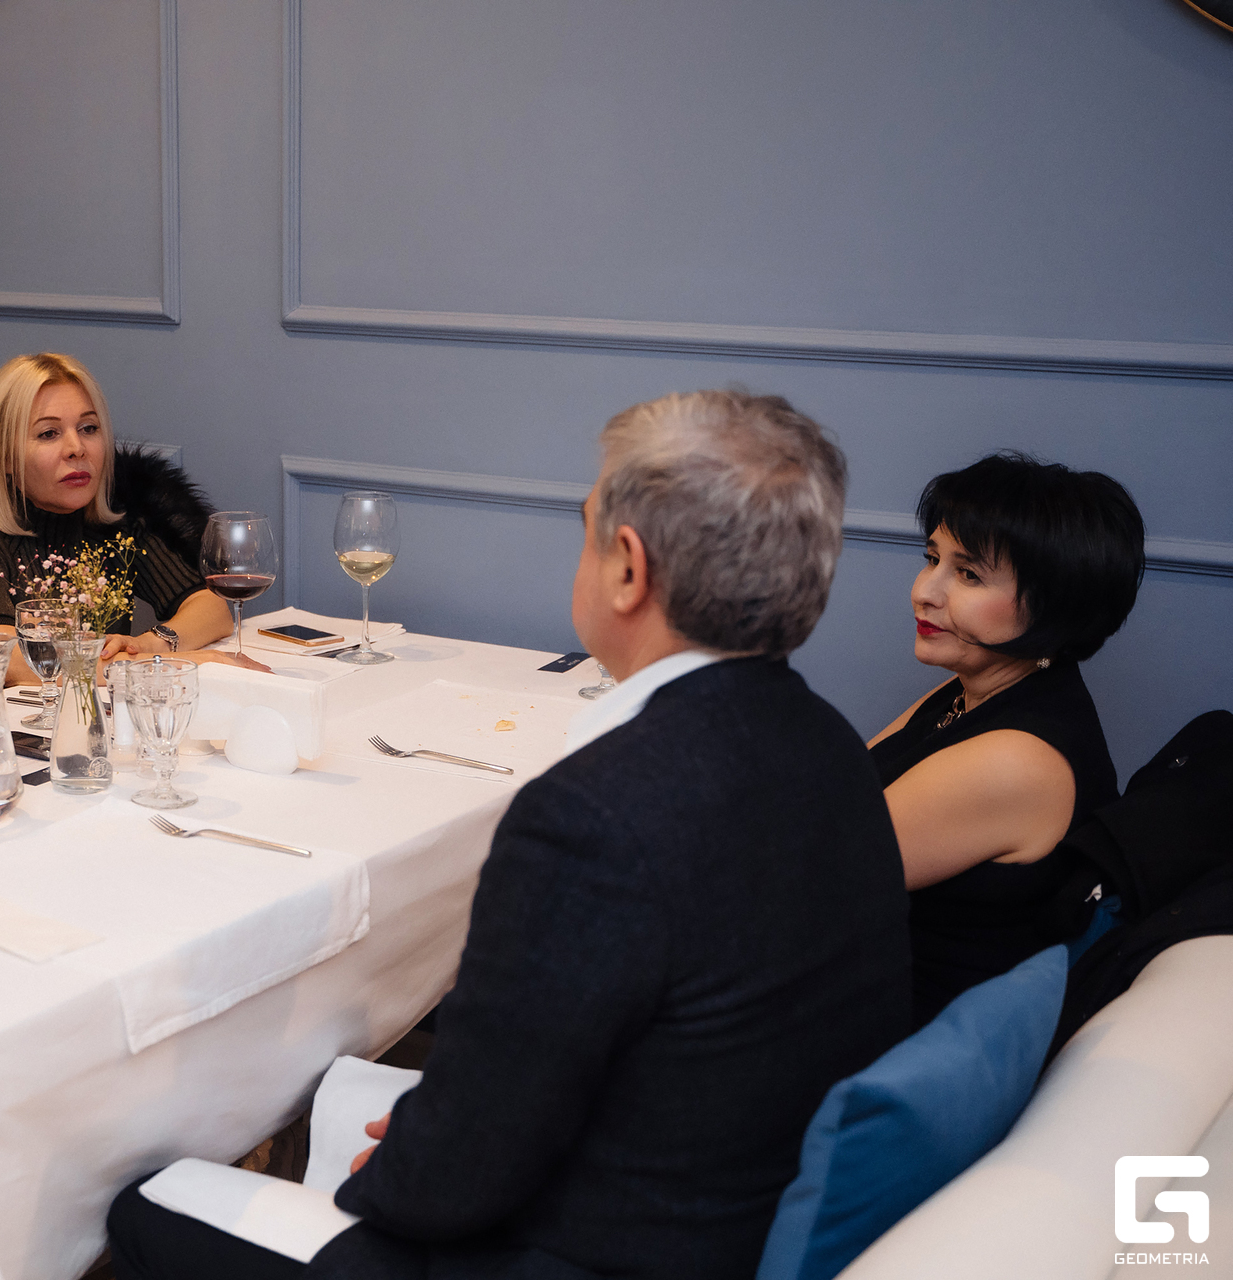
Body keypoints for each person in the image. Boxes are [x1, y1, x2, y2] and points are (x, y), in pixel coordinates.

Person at [105, 390, 911, 1280]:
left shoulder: (594, 815)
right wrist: (439, 1135)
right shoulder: (832, 744)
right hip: (742, 1204)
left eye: (586, 530)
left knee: (139, 1204)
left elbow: (448, 1185)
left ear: (629, 570)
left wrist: (409, 1163)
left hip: (589, 1252)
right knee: (350, 1101)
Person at [867, 452, 1144, 1026]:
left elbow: (807, 870)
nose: (925, 591)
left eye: (968, 575)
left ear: (1053, 605)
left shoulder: (1018, 759)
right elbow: (833, 794)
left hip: (897, 1031)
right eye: (932, 559)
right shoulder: (973, 686)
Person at [0, 352, 264, 680]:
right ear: (5, 457)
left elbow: (213, 608)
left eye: (88, 428)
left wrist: (152, 643)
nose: (77, 448)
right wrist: (164, 664)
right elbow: (11, 661)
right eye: (49, 433)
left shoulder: (116, 521)